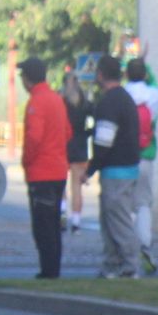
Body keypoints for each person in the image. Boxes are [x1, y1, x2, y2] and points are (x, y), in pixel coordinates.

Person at [85, 56, 143, 279]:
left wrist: (90, 168)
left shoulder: (109, 102)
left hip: (116, 170)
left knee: (117, 220)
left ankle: (128, 265)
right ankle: (112, 264)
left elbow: (104, 140)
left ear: (100, 74)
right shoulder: (125, 98)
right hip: (128, 168)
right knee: (111, 218)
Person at [18, 57, 74, 280]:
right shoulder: (56, 99)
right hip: (58, 170)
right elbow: (68, 132)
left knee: (42, 225)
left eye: (22, 75)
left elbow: (34, 137)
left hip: (41, 172)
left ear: (28, 79)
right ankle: (53, 268)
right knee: (52, 222)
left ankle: (48, 271)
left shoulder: (36, 102)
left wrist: (26, 161)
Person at [124, 57, 158, 276]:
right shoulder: (154, 95)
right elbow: (156, 84)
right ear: (144, 74)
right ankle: (145, 243)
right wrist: (147, 65)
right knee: (143, 203)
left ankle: (128, 244)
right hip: (146, 155)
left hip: (125, 156)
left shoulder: (123, 94)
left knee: (124, 204)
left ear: (127, 74)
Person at [61, 63, 92, 231]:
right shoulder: (85, 103)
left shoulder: (62, 102)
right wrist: (87, 133)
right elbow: (95, 122)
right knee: (77, 187)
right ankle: (76, 221)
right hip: (80, 148)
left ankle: (62, 214)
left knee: (61, 184)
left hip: (64, 146)